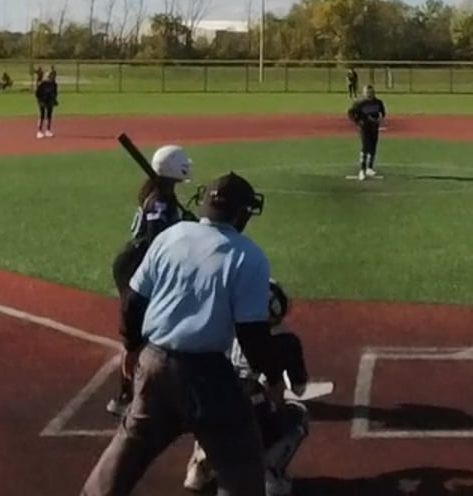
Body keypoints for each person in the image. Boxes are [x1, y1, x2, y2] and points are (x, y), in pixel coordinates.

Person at [80, 172, 276, 496]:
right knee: (240, 463)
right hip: (208, 376)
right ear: (241, 214)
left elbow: (133, 301)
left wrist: (131, 346)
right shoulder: (247, 255)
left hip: (154, 363)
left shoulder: (170, 236)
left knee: (128, 450)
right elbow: (251, 333)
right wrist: (268, 373)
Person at [183, 279, 312, 495]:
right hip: (250, 412)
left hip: (206, 412)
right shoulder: (285, 340)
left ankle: (201, 464)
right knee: (298, 415)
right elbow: (298, 389)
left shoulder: (217, 328)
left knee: (210, 399)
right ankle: (269, 472)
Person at [106, 144, 196, 416]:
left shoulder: (163, 196)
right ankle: (125, 394)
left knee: (149, 325)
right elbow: (158, 239)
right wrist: (184, 228)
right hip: (135, 265)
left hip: (140, 262)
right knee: (138, 329)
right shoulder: (160, 201)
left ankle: (144, 389)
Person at [347, 86, 387, 180]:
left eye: (371, 92)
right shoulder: (359, 103)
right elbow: (351, 113)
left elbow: (382, 112)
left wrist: (379, 119)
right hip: (365, 128)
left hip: (374, 128)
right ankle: (362, 169)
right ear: (364, 93)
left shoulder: (378, 102)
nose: (370, 94)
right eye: (368, 93)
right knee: (365, 147)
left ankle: (370, 167)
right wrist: (358, 121)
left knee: (373, 147)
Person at [35, 66, 60, 139]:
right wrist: (41, 100)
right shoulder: (42, 84)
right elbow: (38, 93)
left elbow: (55, 92)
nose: (51, 77)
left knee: (49, 115)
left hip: (50, 100)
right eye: (50, 76)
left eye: (52, 75)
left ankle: (48, 130)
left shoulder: (53, 84)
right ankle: (39, 131)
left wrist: (53, 99)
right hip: (42, 100)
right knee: (42, 115)